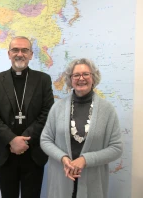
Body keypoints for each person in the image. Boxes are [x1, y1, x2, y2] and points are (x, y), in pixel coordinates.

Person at [40, 58, 123, 198]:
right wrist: (63, 158)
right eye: (76, 75)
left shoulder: (107, 110)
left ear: (93, 77)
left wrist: (85, 160)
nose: (81, 78)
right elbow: (45, 140)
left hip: (93, 181)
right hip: (62, 178)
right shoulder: (57, 107)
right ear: (70, 79)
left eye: (86, 74)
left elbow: (116, 148)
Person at [0, 36, 54, 198]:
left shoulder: (43, 80)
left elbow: (47, 112)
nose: (20, 54)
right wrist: (12, 139)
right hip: (4, 152)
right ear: (9, 54)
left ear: (31, 54)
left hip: (33, 152)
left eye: (25, 50)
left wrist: (23, 139)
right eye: (15, 50)